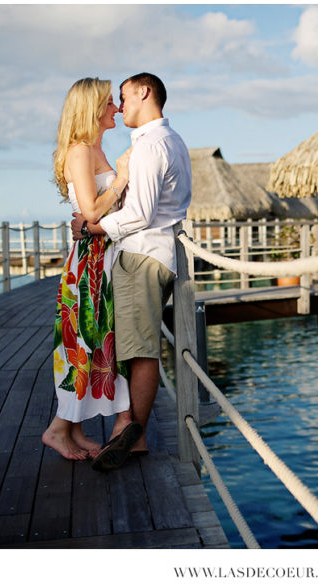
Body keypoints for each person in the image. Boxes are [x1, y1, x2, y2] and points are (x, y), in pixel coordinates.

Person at [72, 73, 192, 471]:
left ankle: (132, 437)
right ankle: (127, 431)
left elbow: (140, 214)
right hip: (155, 255)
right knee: (134, 345)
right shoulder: (170, 140)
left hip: (142, 256)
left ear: (144, 92)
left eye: (123, 97)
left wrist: (94, 228)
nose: (120, 106)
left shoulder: (150, 145)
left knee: (139, 350)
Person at [42, 77, 135, 461]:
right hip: (89, 263)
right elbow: (93, 210)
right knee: (82, 344)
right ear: (92, 109)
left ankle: (74, 429)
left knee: (91, 343)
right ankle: (58, 430)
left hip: (100, 255)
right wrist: (124, 177)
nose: (116, 108)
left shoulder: (93, 149)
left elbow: (94, 213)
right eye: (110, 102)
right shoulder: (80, 151)